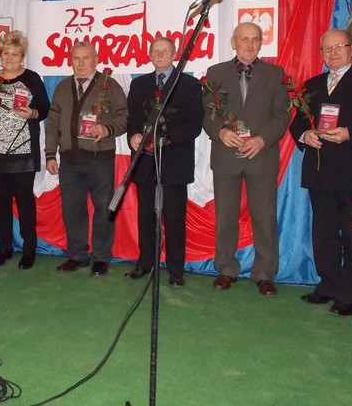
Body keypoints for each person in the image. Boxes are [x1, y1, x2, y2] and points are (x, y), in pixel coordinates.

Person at [289, 29, 352, 315]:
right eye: (327, 48)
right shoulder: (312, 84)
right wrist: (305, 135)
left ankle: (348, 295)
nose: (333, 53)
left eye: (339, 46)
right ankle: (327, 285)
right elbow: (297, 122)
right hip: (320, 170)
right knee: (324, 233)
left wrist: (350, 133)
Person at [202, 22, 290, 296]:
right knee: (226, 217)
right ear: (233, 42)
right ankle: (226, 269)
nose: (250, 44)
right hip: (226, 156)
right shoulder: (215, 73)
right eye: (244, 39)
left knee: (264, 217)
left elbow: (283, 115)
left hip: (261, 155)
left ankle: (264, 274)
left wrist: (263, 139)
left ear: (261, 43)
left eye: (255, 39)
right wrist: (220, 131)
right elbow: (207, 113)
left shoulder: (276, 74)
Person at [125, 37, 203, 287]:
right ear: (149, 55)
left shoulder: (189, 85)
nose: (160, 54)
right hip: (145, 160)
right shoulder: (139, 84)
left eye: (165, 50)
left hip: (175, 160)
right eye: (155, 51)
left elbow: (195, 124)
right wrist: (133, 135)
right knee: (146, 215)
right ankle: (145, 263)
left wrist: (167, 139)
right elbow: (132, 118)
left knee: (174, 217)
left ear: (175, 54)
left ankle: (176, 269)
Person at [45, 41, 128, 276]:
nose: (81, 63)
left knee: (103, 209)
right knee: (72, 209)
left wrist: (107, 129)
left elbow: (124, 117)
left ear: (96, 59)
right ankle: (77, 255)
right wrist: (50, 154)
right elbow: (52, 124)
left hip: (100, 159)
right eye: (76, 58)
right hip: (69, 160)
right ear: (70, 61)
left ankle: (101, 257)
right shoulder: (62, 87)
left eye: (86, 58)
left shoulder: (109, 85)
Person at [0, 31, 50, 270]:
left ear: (22, 56)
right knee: (1, 200)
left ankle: (29, 249)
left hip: (22, 150)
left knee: (25, 200)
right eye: (5, 53)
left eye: (14, 54)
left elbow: (45, 108)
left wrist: (33, 113)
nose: (9, 57)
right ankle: (4, 247)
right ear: (0, 54)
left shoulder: (31, 78)